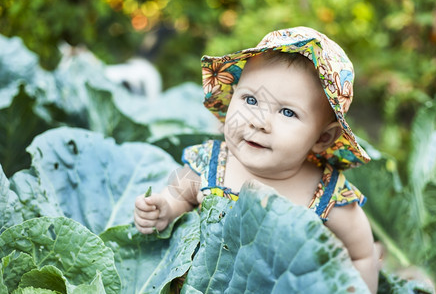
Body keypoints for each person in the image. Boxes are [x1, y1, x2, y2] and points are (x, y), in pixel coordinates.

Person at [134, 26, 379, 292]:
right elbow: (178, 194)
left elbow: (362, 254)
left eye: (287, 112)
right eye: (250, 100)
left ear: (323, 138)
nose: (258, 122)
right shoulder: (212, 163)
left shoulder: (326, 195)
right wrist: (164, 208)